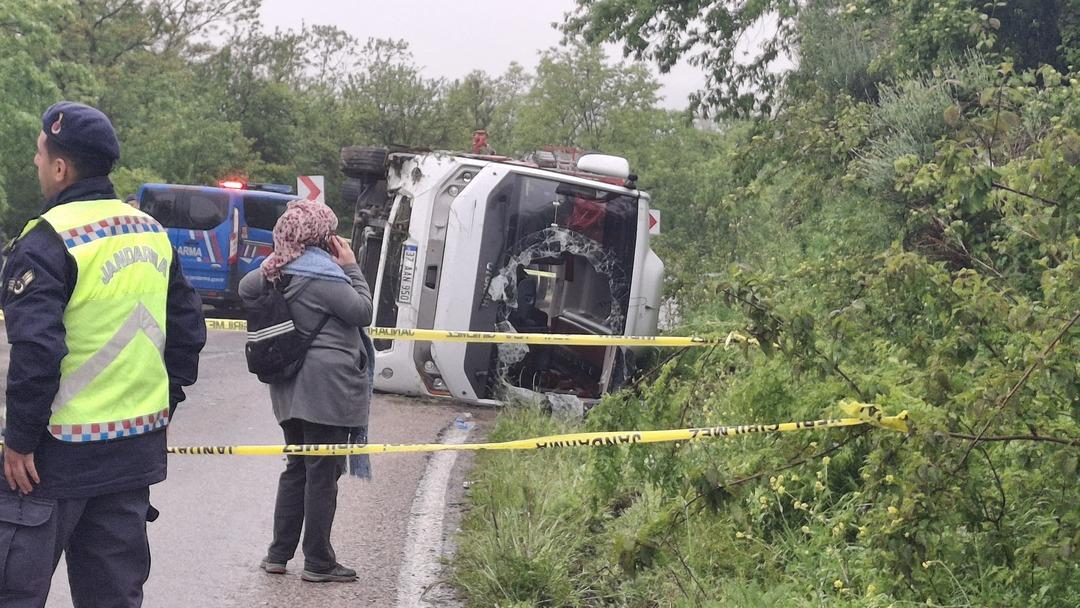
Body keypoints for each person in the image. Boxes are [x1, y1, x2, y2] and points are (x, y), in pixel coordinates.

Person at [0, 101, 206, 606]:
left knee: (14, 592)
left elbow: (37, 352)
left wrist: (18, 440)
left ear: (61, 167)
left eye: (39, 152)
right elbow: (188, 331)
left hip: (52, 459)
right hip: (133, 452)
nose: (35, 161)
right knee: (112, 598)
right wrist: (165, 404)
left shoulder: (46, 241)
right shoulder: (151, 232)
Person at [238, 199, 372, 583]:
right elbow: (363, 311)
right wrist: (351, 267)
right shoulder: (324, 276)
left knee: (297, 467)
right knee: (322, 473)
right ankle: (318, 562)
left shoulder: (270, 272)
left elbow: (247, 288)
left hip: (288, 387)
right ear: (318, 237)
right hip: (327, 389)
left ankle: (278, 555)